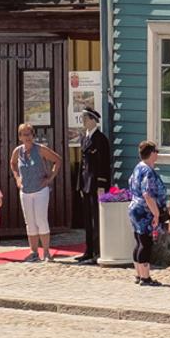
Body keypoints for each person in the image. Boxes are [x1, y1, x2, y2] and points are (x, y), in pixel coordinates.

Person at [8, 123, 63, 262]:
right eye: (24, 134)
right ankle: (33, 252)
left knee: (41, 220)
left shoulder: (40, 149)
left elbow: (57, 160)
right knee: (30, 222)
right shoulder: (18, 151)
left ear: (33, 135)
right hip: (25, 191)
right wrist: (17, 178)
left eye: (29, 134)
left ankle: (46, 252)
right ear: (20, 137)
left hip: (40, 190)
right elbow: (13, 163)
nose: (27, 137)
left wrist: (50, 178)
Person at [73, 108, 112, 265]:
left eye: (84, 118)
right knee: (88, 221)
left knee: (97, 220)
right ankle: (88, 251)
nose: (82, 120)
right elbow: (83, 164)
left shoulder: (100, 139)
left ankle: (97, 251)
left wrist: (101, 185)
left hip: (96, 184)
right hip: (86, 184)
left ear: (92, 120)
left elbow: (103, 164)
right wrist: (80, 185)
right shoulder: (84, 138)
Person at [127, 141, 168, 286]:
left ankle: (139, 274)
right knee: (145, 243)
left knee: (139, 241)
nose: (158, 153)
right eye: (156, 151)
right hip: (145, 211)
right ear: (151, 153)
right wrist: (156, 214)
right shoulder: (148, 172)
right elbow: (147, 194)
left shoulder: (138, 167)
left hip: (135, 208)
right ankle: (145, 277)